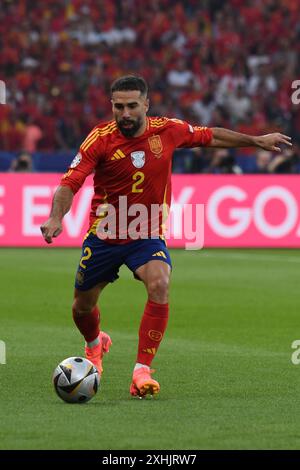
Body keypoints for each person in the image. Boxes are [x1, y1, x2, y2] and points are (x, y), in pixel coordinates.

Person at [40, 75, 292, 398]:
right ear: (112, 106)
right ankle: (94, 345)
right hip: (104, 234)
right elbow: (70, 181)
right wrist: (55, 216)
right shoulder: (99, 139)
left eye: (132, 105)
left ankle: (141, 371)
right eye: (119, 107)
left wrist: (255, 141)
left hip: (146, 233)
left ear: (146, 104)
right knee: (81, 308)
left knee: (160, 282)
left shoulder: (167, 130)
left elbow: (210, 136)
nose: (126, 113)